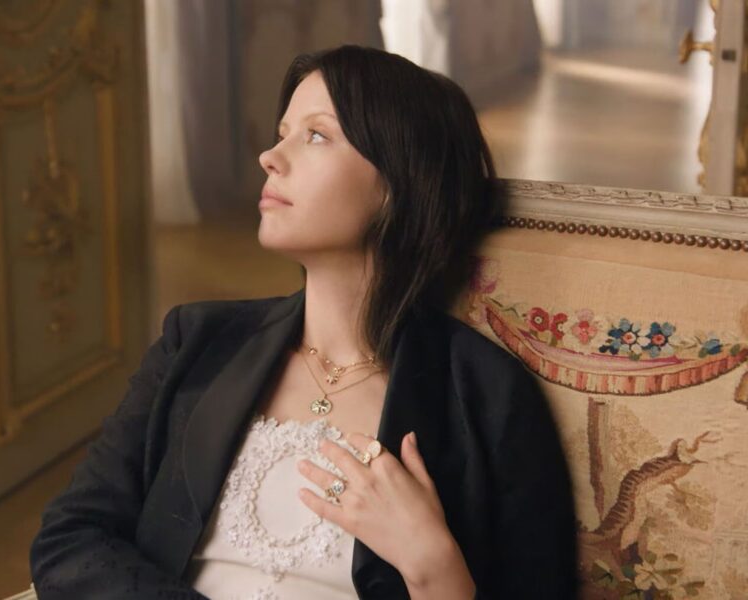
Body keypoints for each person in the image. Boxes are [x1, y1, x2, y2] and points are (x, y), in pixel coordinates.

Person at [30, 44, 578, 599]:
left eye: (316, 135)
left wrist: (434, 566)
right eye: (283, 132)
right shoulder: (195, 342)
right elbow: (70, 538)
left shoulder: (485, 395)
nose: (270, 156)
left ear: (399, 184)